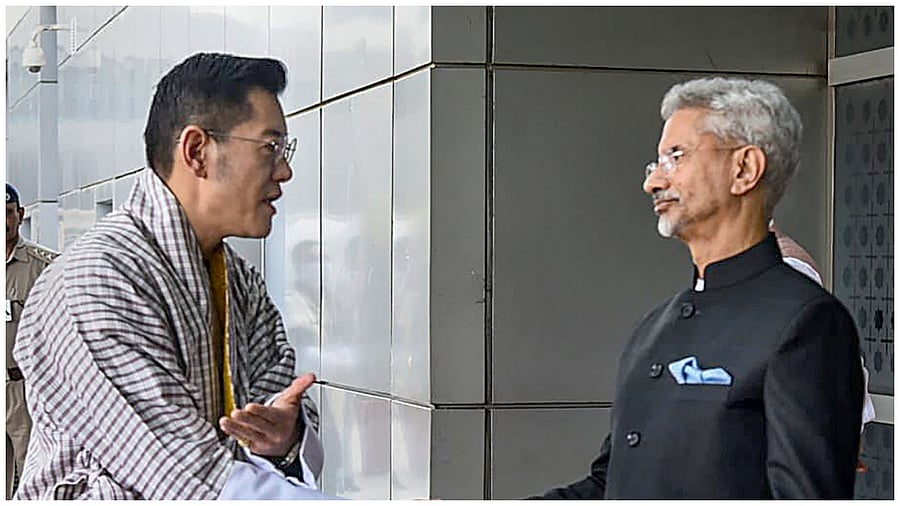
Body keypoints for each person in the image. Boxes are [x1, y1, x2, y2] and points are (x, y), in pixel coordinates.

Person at [13, 53, 336, 499]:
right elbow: (188, 481)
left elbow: (279, 401)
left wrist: (283, 439)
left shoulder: (241, 283)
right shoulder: (95, 280)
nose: (284, 170)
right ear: (197, 151)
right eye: (270, 148)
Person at [537, 77, 864, 499]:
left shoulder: (807, 323)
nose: (653, 182)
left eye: (676, 156)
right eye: (656, 163)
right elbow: (610, 486)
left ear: (744, 169)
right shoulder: (654, 327)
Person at [5, 183, 58, 499]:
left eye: (7, 214)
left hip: (25, 392)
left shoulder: (44, 267)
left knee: (33, 481)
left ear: (20, 215)